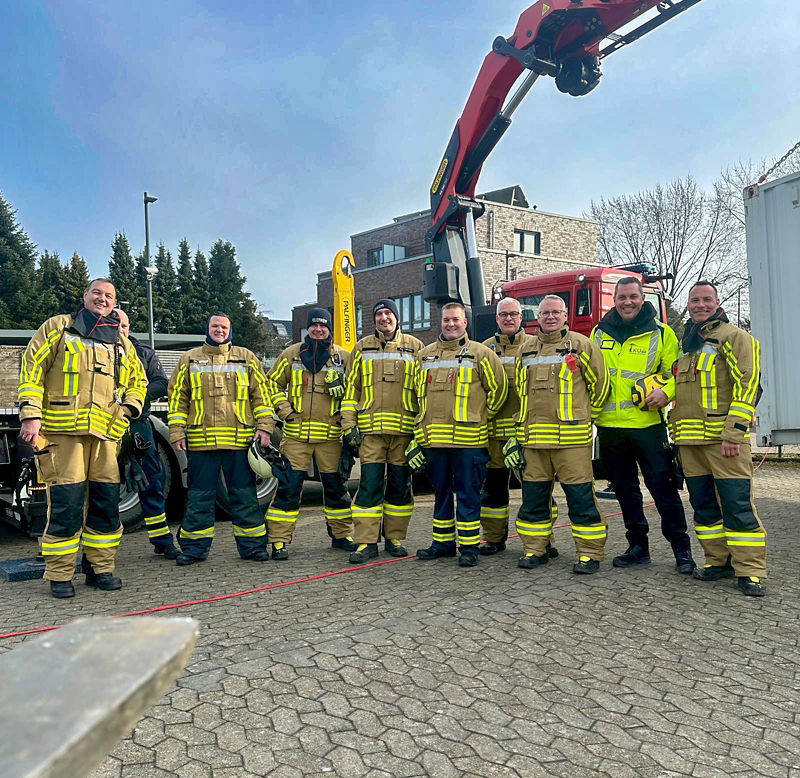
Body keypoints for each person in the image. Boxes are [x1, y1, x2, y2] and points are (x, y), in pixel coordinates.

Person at [18, 278, 147, 598]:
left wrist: (128, 411)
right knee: (65, 505)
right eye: (97, 293)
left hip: (106, 437)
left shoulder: (120, 342)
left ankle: (100, 569)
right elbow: (32, 370)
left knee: (105, 505)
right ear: (85, 296)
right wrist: (30, 415)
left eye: (109, 296)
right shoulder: (57, 328)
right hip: (63, 437)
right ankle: (60, 574)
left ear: (115, 303)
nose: (102, 299)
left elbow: (138, 382)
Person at [668, 281, 767, 596]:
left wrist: (734, 433)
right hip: (690, 444)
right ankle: (717, 562)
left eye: (706, 299)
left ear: (717, 302)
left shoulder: (735, 337)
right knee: (704, 507)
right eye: (694, 300)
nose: (699, 305)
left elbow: (748, 387)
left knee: (736, 505)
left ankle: (750, 571)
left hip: (725, 444)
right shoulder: (688, 344)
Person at [591, 277, 694, 573]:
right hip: (610, 427)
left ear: (642, 297)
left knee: (663, 489)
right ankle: (638, 547)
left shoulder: (661, 333)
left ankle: (681, 550)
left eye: (633, 296)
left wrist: (666, 393)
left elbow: (678, 373)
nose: (627, 302)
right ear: (614, 299)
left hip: (648, 426)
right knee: (625, 490)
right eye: (622, 297)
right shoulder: (599, 332)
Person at [504, 294, 610, 573]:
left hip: (571, 442)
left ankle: (589, 554)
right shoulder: (525, 350)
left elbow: (600, 386)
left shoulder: (581, 345)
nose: (550, 317)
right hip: (534, 442)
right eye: (544, 313)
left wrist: (587, 420)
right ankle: (535, 549)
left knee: (581, 499)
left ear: (565, 316)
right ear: (536, 318)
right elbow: (521, 395)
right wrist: (518, 433)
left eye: (555, 312)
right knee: (533, 501)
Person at [167, 312, 272, 564]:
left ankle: (253, 547)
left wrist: (265, 427)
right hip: (201, 442)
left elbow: (261, 395)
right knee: (199, 498)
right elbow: (177, 398)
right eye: (215, 326)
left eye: (224, 326)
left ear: (230, 330)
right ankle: (193, 549)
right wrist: (176, 431)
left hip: (239, 441)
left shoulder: (246, 358)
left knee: (245, 497)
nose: (219, 330)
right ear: (208, 328)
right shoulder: (189, 359)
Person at [412, 302, 507, 568]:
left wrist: (479, 416)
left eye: (455, 319)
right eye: (446, 320)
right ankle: (442, 545)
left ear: (465, 322)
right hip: (434, 441)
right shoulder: (425, 355)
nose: (450, 324)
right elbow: (414, 396)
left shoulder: (481, 354)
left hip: (469, 442)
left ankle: (468, 547)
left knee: (468, 495)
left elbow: (498, 392)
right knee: (440, 494)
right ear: (440, 322)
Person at [264, 308, 355, 560]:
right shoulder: (291, 355)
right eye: (314, 326)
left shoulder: (343, 358)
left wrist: (345, 420)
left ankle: (341, 535)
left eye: (323, 326)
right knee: (288, 488)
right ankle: (279, 541)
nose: (318, 330)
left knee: (336, 489)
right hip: (296, 436)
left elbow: (356, 391)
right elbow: (271, 384)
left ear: (330, 329)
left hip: (330, 438)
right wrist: (285, 411)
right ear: (307, 329)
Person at [341, 299, 424, 563]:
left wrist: (421, 432)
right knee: (369, 487)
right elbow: (351, 389)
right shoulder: (362, 347)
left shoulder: (416, 348)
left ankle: (394, 538)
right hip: (371, 434)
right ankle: (365, 543)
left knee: (400, 488)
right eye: (379, 314)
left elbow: (424, 393)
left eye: (389, 313)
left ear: (397, 318)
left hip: (403, 433)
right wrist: (348, 424)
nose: (384, 318)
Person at [480, 297, 558, 558]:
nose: (509, 319)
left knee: (537, 491)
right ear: (497, 318)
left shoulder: (534, 346)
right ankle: (493, 539)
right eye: (504, 315)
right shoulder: (484, 349)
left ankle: (544, 540)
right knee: (493, 492)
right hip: (493, 435)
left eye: (513, 314)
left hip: (525, 433)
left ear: (521, 317)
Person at [117, 309, 179, 559]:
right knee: (103, 486)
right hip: (104, 426)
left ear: (129, 327)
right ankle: (98, 549)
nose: (119, 329)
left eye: (123, 325)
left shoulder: (142, 353)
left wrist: (133, 400)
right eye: (114, 324)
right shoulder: (95, 350)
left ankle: (162, 539)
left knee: (152, 481)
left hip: (137, 425)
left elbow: (160, 383)